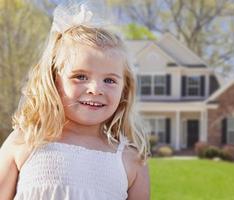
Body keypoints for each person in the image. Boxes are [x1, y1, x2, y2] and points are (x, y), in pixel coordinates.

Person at [0, 1, 150, 199]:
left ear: (125, 90)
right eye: (80, 77)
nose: (95, 89)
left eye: (109, 80)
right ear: (54, 81)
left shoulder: (131, 161)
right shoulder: (25, 142)